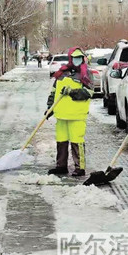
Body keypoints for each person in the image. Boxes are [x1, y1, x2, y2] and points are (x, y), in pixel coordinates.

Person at [45, 47, 93, 177]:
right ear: (70, 59)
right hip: (61, 114)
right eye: (74, 58)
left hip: (77, 115)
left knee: (77, 141)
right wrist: (50, 108)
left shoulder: (85, 74)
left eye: (79, 58)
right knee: (61, 141)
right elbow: (54, 93)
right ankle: (61, 166)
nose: (77, 60)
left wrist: (72, 92)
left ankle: (80, 167)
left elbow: (89, 92)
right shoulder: (62, 73)